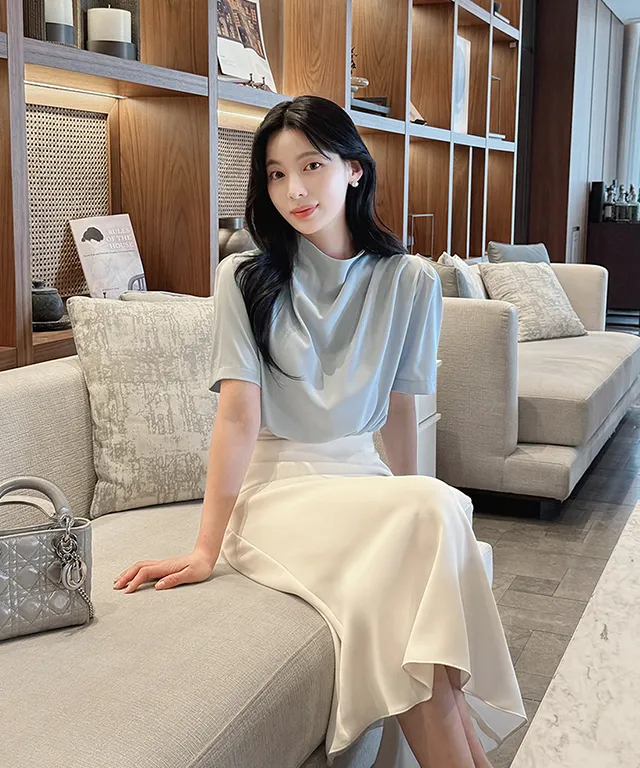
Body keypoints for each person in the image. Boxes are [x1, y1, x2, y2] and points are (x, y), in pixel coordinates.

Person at [113, 95, 526, 768]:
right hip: (277, 491)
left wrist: (403, 500)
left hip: (362, 483)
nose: (294, 190)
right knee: (432, 518)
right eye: (276, 174)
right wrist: (204, 548)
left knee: (428, 519)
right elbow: (238, 417)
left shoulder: (410, 281)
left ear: (354, 169)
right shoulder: (245, 277)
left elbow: (399, 408)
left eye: (311, 166)